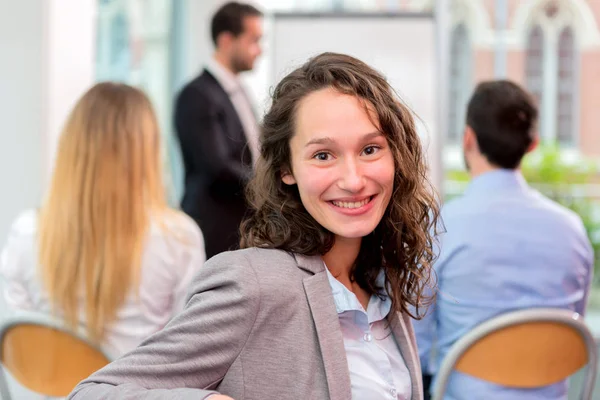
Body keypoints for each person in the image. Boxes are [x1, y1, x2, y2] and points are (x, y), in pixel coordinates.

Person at [68, 52, 439, 399]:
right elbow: (92, 393)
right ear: (287, 170)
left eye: (370, 149)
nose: (354, 179)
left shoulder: (380, 277)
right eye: (323, 155)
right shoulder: (254, 284)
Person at [414, 80, 594, 400]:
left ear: (468, 139)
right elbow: (571, 326)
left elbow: (416, 342)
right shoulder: (572, 230)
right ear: (533, 144)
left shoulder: (441, 228)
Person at [0, 82, 205, 358]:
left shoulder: (25, 233)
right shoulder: (179, 238)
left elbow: (19, 346)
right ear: (147, 152)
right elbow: (187, 351)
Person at [174, 1, 263, 259]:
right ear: (226, 40)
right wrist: (267, 187)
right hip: (213, 227)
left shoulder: (239, 90)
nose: (260, 50)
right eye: (253, 40)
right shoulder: (197, 95)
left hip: (238, 223)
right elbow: (217, 165)